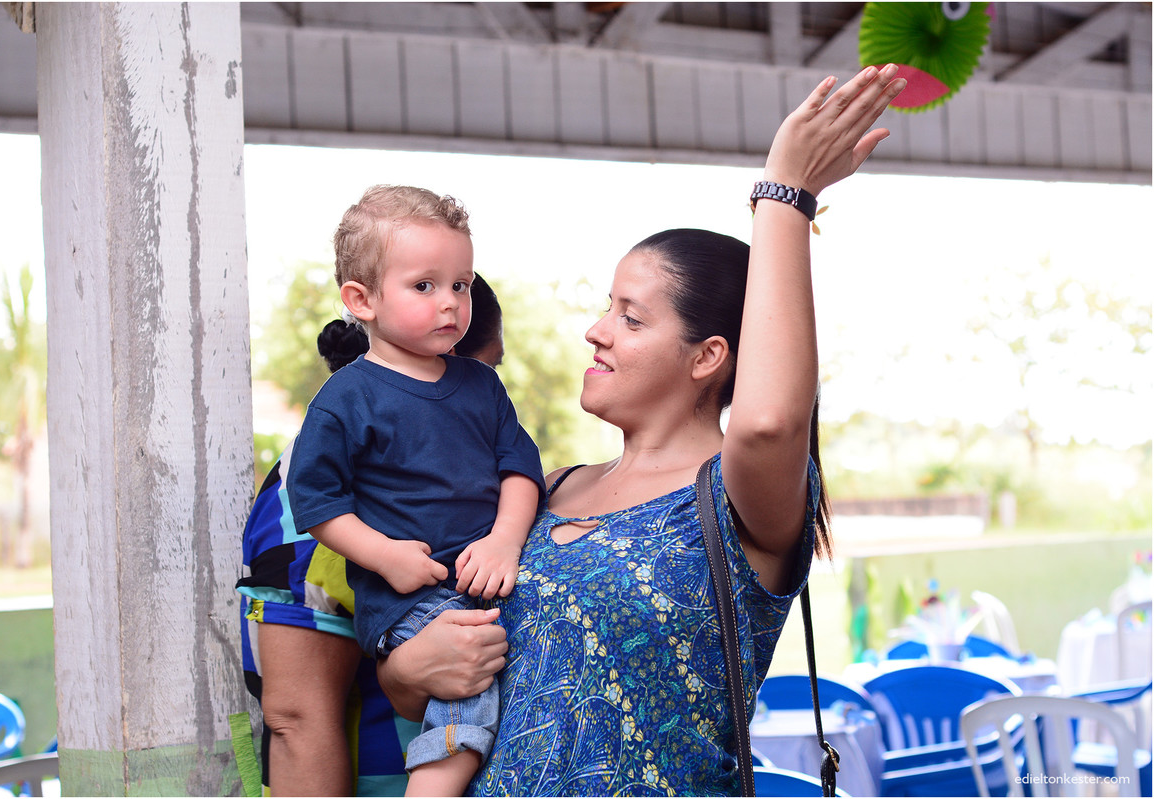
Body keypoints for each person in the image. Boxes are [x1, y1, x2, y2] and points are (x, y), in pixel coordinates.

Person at [374, 64, 908, 795]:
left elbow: (767, 420)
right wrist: (405, 667)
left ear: (708, 356)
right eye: (607, 307)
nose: (597, 332)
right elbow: (443, 690)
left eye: (631, 316)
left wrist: (784, 192)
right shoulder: (542, 491)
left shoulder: (738, 500)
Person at [284, 184, 544, 797]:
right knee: (469, 661)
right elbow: (317, 502)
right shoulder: (347, 398)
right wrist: (386, 557)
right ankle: (430, 790)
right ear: (362, 299)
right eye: (424, 286)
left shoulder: (481, 386)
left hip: (487, 572)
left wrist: (506, 540)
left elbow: (520, 470)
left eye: (461, 284)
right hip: (413, 593)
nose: (452, 303)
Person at [237, 270, 517, 797]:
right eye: (491, 368)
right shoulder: (319, 499)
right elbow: (297, 720)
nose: (495, 391)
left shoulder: (448, 474)